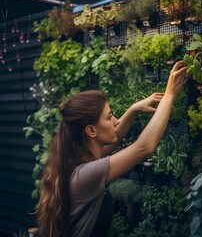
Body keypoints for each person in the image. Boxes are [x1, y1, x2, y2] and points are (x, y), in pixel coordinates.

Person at [37, 60, 188, 237]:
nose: (115, 120)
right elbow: (144, 146)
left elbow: (115, 137)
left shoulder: (81, 159)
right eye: (109, 117)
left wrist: (133, 110)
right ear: (91, 131)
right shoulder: (85, 175)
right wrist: (169, 94)